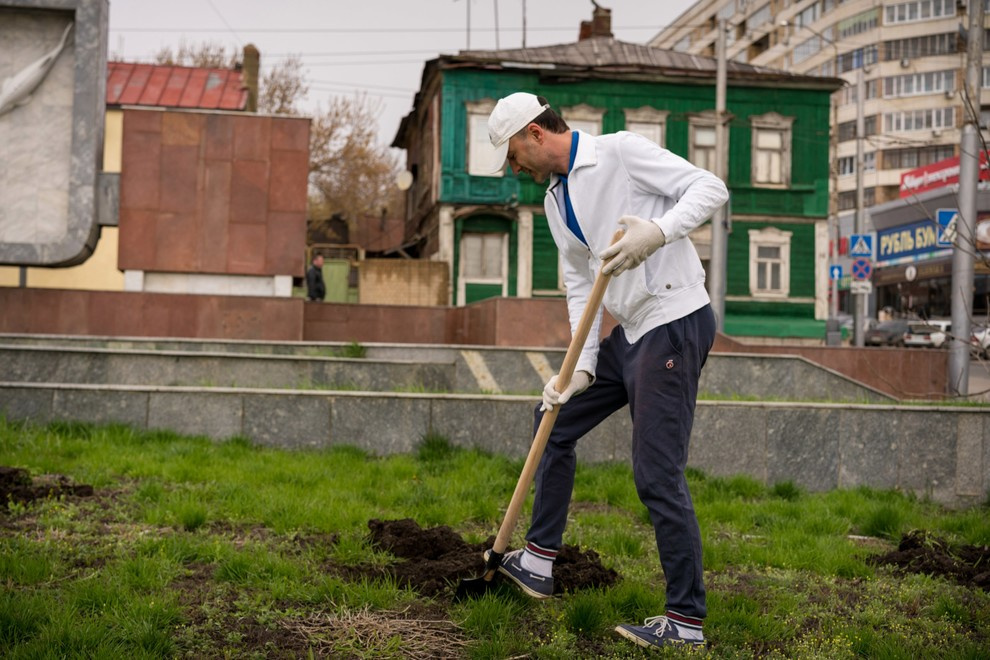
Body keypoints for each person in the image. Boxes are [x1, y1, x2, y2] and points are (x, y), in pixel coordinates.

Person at [484, 92, 729, 649]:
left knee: (655, 473)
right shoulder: (554, 201)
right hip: (630, 333)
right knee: (555, 420)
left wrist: (658, 232)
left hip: (674, 320)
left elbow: (709, 187)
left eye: (513, 154)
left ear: (535, 133)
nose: (514, 167)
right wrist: (581, 368)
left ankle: (685, 623)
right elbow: (579, 285)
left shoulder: (619, 152)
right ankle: (540, 561)